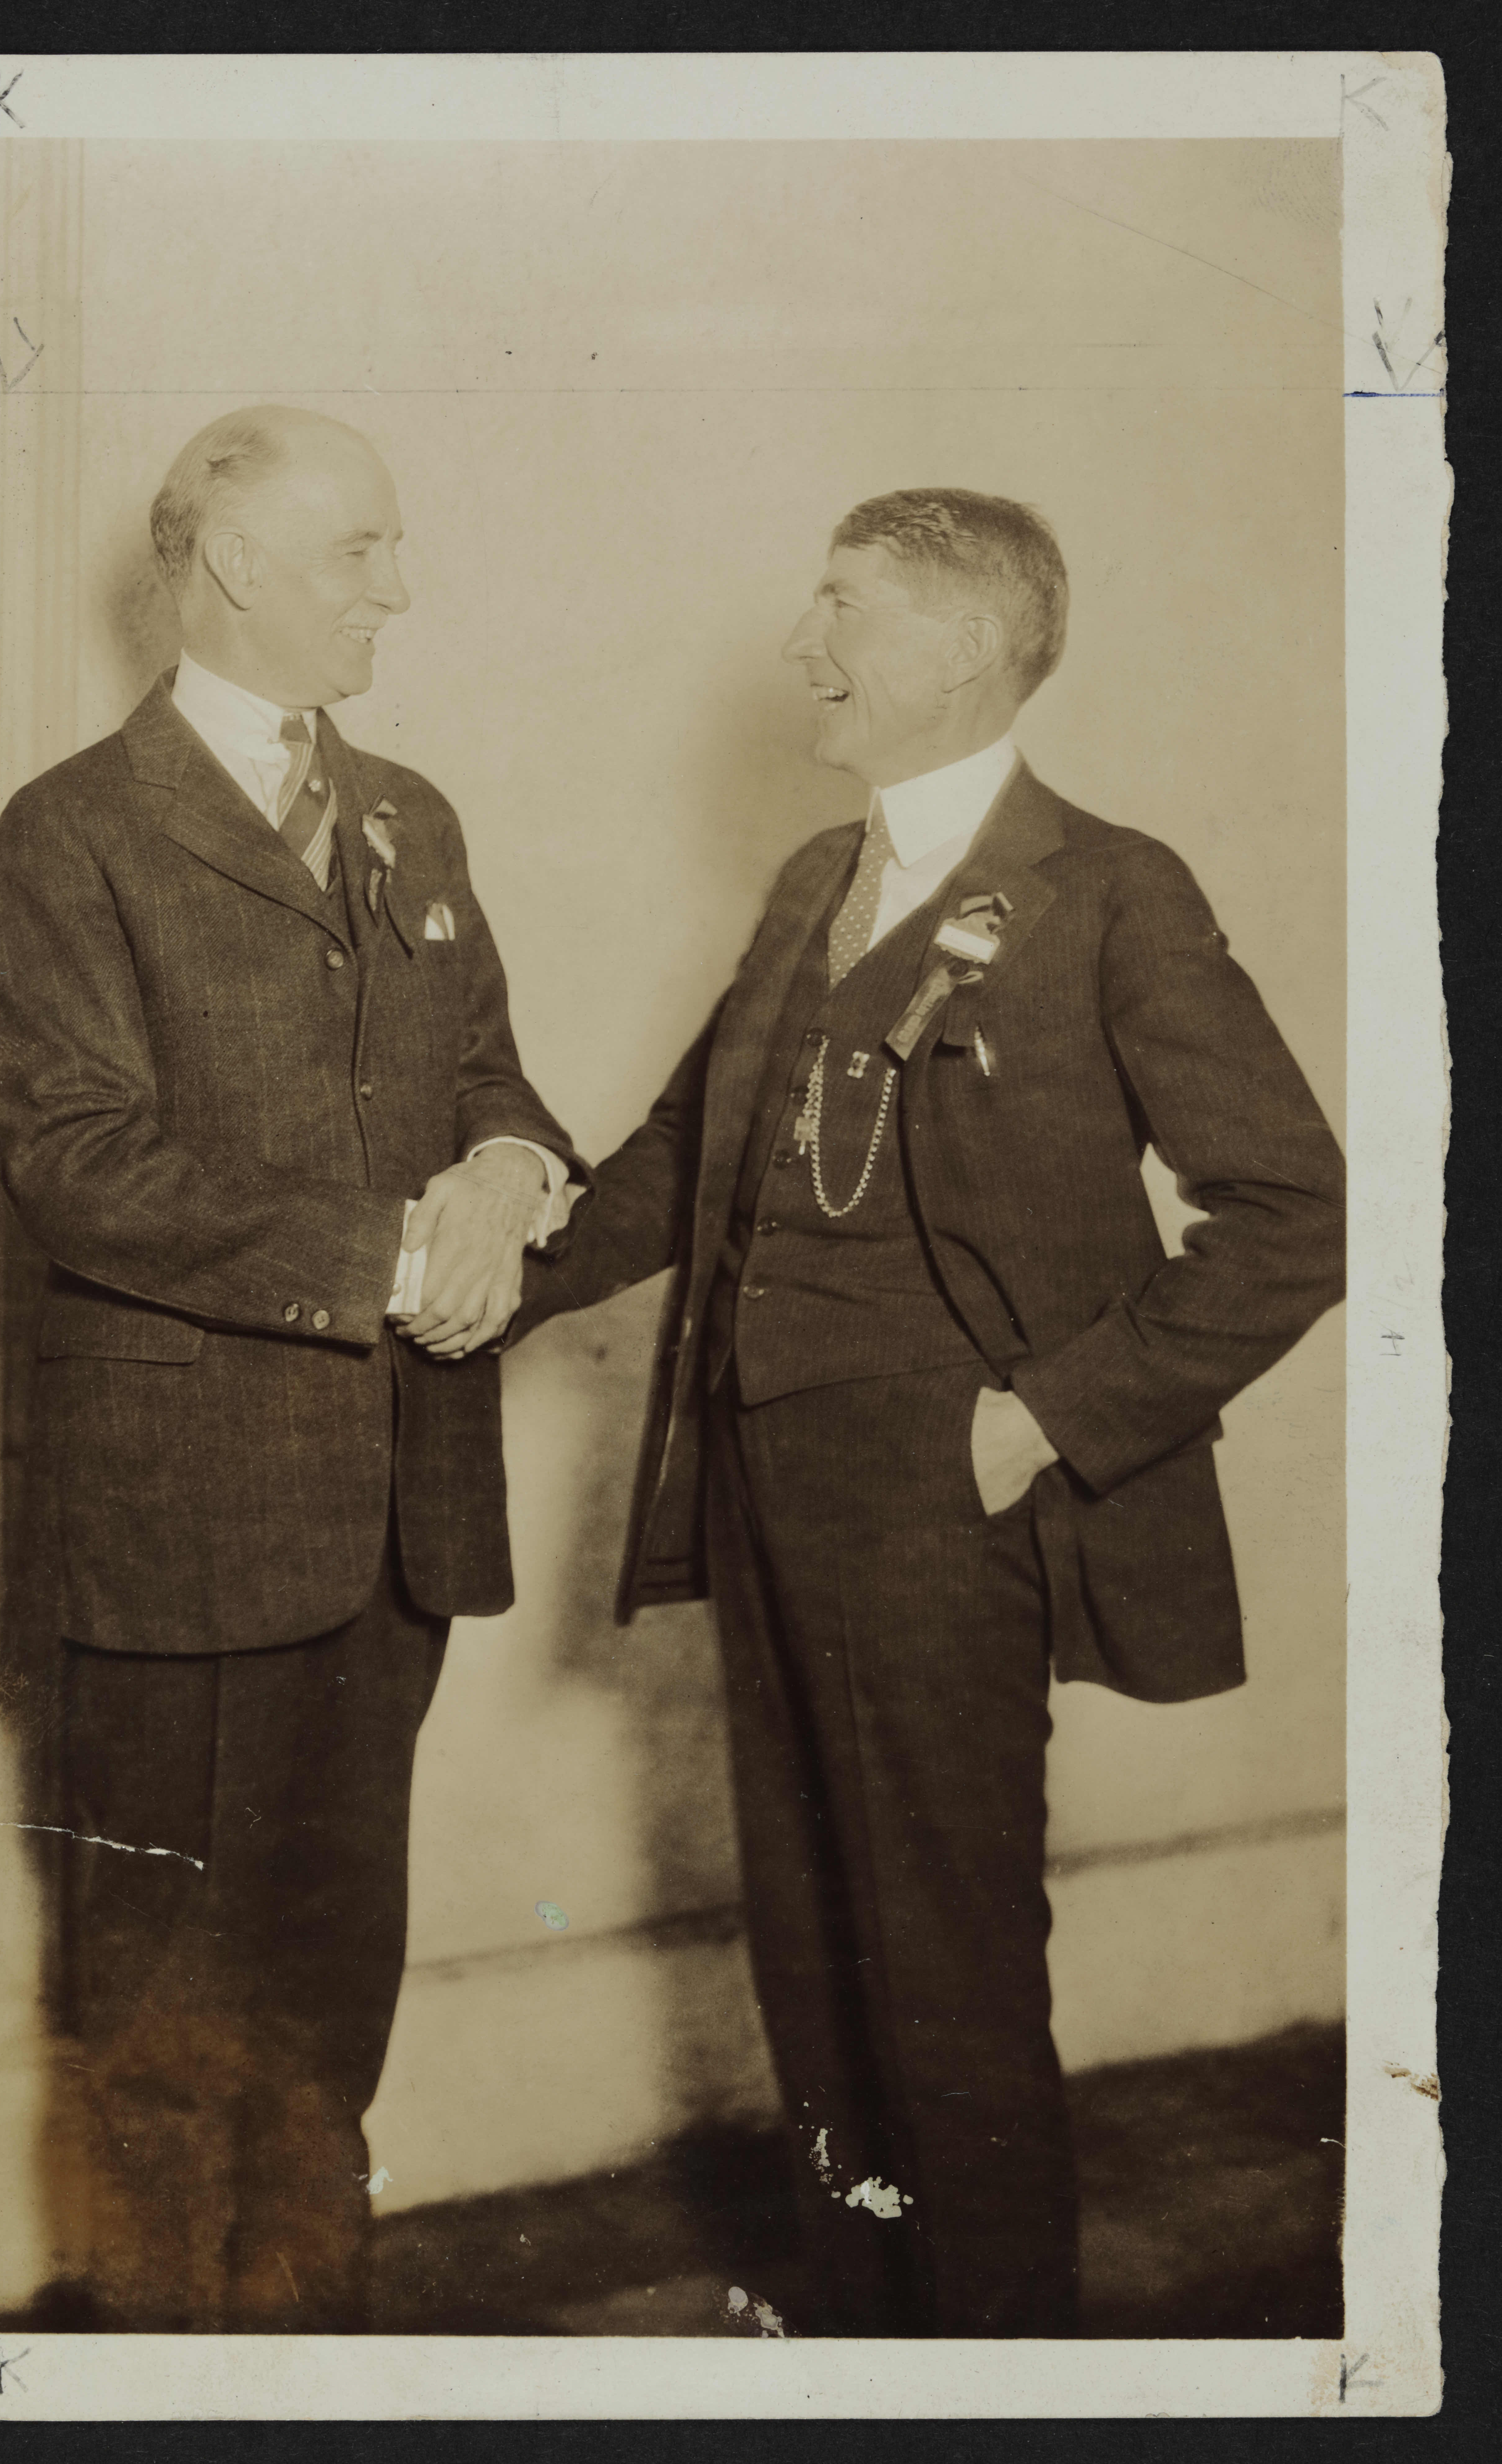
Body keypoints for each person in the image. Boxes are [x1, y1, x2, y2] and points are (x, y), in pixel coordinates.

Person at [513, 488, 1346, 2337]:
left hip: (943, 1499)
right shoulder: (817, 878)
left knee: (947, 1971)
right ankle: (857, 2349)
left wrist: (1044, 1419)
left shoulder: (1116, 890)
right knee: (814, 1956)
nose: (804, 646)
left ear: (963, 647)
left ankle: (1001, 2370)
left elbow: (1297, 1212)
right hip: (761, 1480)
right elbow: (679, 1160)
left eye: (842, 611)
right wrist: (496, 1266)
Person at [0, 406, 586, 2332]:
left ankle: (308, 2356)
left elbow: (487, 1065)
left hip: (392, 1514)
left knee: (334, 1995)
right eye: (362, 552)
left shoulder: (411, 812)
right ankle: (165, 2373)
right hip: (176, 1537)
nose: (395, 588)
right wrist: (396, 1254)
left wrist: (509, 1163)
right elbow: (77, 1162)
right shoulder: (72, 831)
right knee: (163, 2019)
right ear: (235, 563)